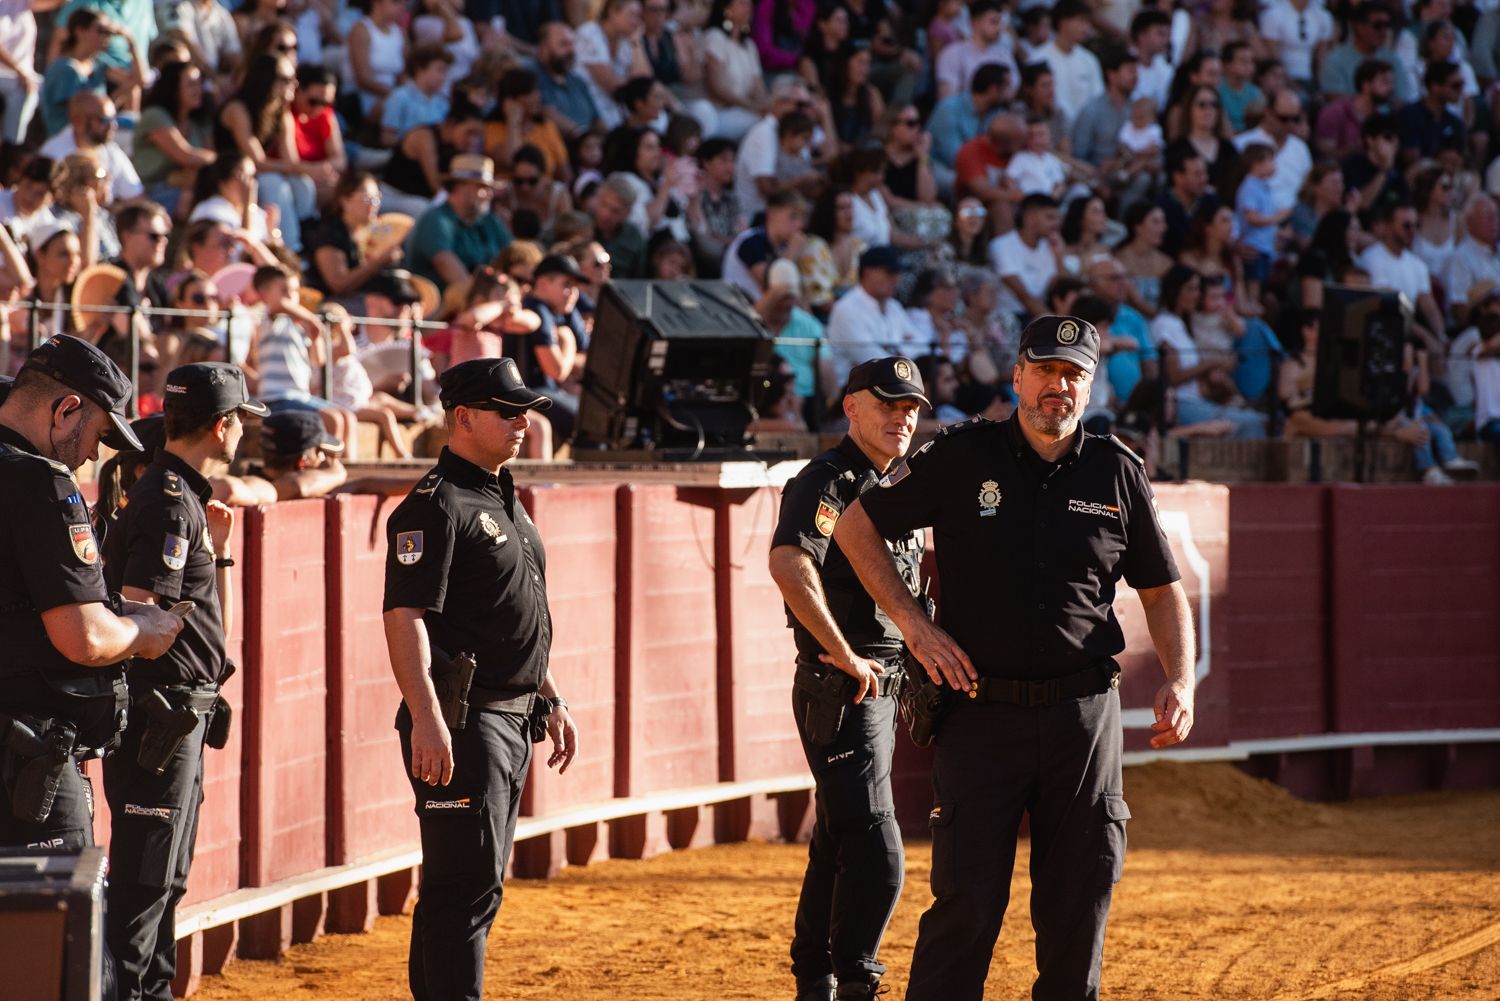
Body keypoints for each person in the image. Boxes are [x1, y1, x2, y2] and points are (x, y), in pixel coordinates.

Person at [833, 312, 1194, 1001]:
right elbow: (856, 525)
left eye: (1073, 374)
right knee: (965, 904)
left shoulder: (1116, 471)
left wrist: (1181, 680)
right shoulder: (963, 457)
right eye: (1046, 370)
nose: (1058, 385)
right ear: (1019, 376)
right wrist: (913, 624)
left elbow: (1162, 591)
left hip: (1083, 720)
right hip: (980, 715)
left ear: (1090, 387)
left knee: (1077, 907)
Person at [383, 356, 579, 1001]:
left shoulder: (502, 497)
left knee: (480, 881)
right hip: (465, 720)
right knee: (461, 885)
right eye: (509, 412)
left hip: (510, 712)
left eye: (525, 411)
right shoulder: (434, 505)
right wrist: (430, 718)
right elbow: (404, 615)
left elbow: (516, 614)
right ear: (463, 418)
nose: (523, 423)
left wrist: (550, 696)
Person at [101, 362, 263, 1001]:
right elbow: (143, 609)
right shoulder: (171, 499)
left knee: (166, 876)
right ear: (222, 427)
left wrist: (217, 556)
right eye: (241, 422)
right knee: (145, 880)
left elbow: (173, 610)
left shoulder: (181, 495)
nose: (244, 433)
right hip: (160, 711)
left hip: (176, 710)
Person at [768, 356, 928, 1001]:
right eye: (887, 403)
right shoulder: (828, 479)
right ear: (850, 407)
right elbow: (788, 563)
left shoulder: (900, 482)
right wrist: (842, 652)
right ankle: (859, 981)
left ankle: (816, 976)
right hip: (846, 686)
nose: (902, 416)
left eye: (911, 407)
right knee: (875, 843)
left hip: (879, 687)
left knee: (839, 833)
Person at [0, 335, 184, 849]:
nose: (90, 456)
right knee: (53, 924)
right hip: (23, 760)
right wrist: (142, 631)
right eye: (98, 436)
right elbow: (82, 638)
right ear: (67, 409)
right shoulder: (40, 484)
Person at [406, 154, 514, 288]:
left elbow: (514, 256)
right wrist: (482, 298)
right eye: (481, 187)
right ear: (458, 186)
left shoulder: (490, 220)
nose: (489, 194)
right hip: (446, 304)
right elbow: (446, 263)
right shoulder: (436, 219)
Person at [825, 245, 921, 388]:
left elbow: (922, 346)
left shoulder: (894, 307)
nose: (896, 279)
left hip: (893, 389)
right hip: (853, 397)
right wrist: (899, 350)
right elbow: (873, 362)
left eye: (898, 273)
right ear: (868, 272)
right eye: (889, 272)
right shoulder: (846, 309)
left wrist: (894, 352)